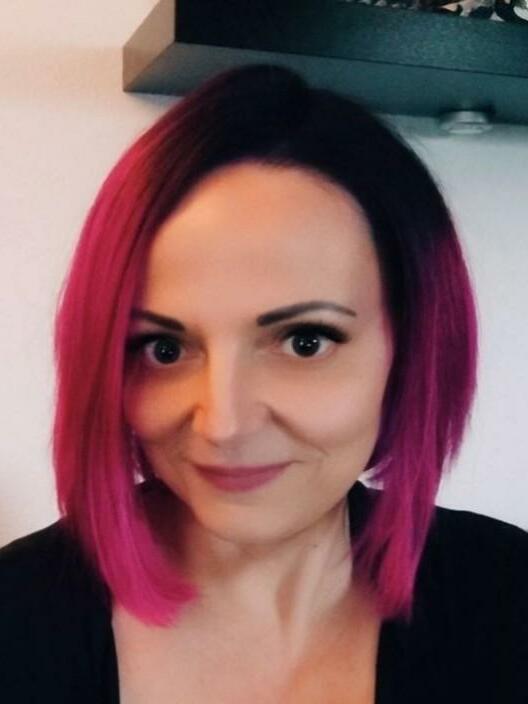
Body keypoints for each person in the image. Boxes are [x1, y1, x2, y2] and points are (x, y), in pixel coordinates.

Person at [0, 63, 526, 704]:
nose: (224, 424)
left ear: (412, 348)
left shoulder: (507, 597)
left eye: (305, 341)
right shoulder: (17, 622)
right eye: (164, 349)